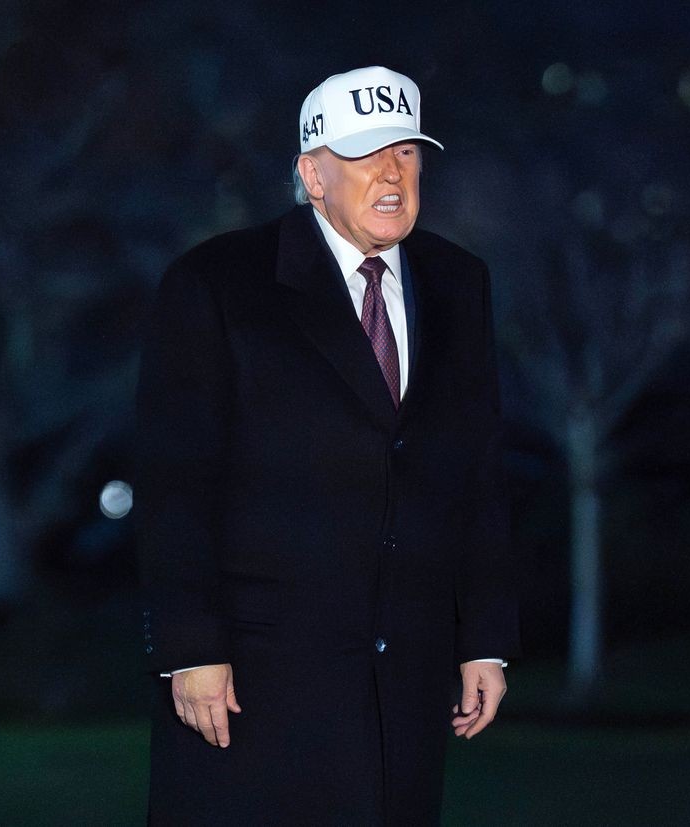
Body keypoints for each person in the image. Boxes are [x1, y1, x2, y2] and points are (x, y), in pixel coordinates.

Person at [136, 65, 519, 826]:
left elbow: (475, 471)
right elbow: (176, 480)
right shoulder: (216, 285)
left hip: (406, 685)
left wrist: (485, 639)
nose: (391, 173)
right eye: (365, 154)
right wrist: (190, 646)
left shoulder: (458, 282)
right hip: (257, 682)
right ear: (312, 175)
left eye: (408, 152)